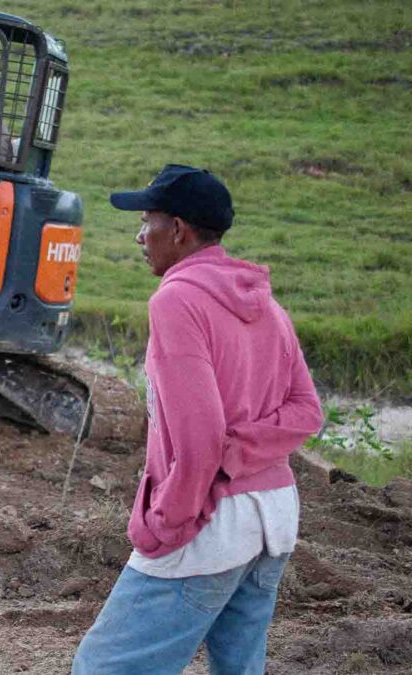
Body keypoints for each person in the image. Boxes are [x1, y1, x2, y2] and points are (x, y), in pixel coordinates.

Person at [72, 165, 324, 674]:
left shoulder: (177, 300)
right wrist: (242, 456)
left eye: (147, 221)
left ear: (179, 230)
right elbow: (306, 411)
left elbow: (201, 440)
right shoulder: (267, 305)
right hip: (272, 519)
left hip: (210, 524)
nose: (141, 236)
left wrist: (167, 521)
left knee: (103, 667)